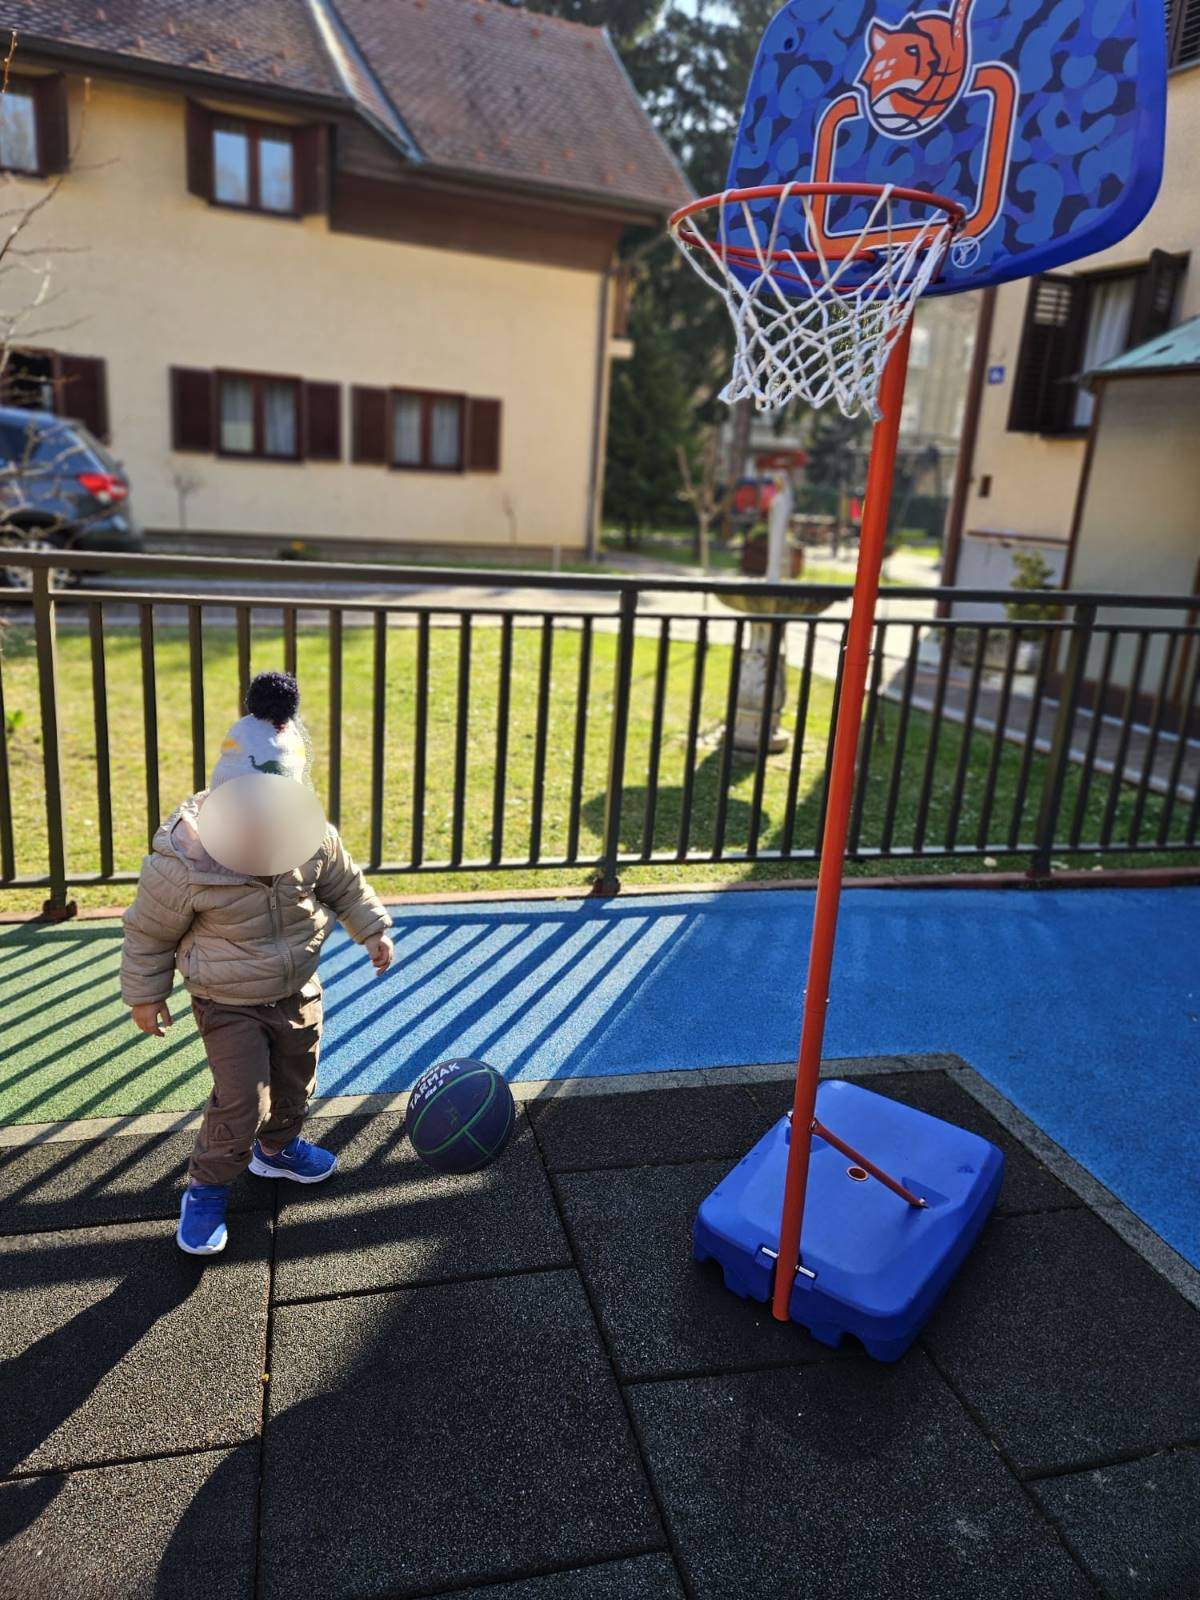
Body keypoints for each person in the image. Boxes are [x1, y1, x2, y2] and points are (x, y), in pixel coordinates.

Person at [120, 670, 393, 1256]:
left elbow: (345, 885)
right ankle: (207, 1187)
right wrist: (146, 994)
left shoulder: (312, 837)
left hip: (297, 989)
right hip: (227, 1001)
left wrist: (371, 928)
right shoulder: (188, 859)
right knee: (243, 1099)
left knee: (295, 1081)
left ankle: (277, 1150)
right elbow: (149, 929)